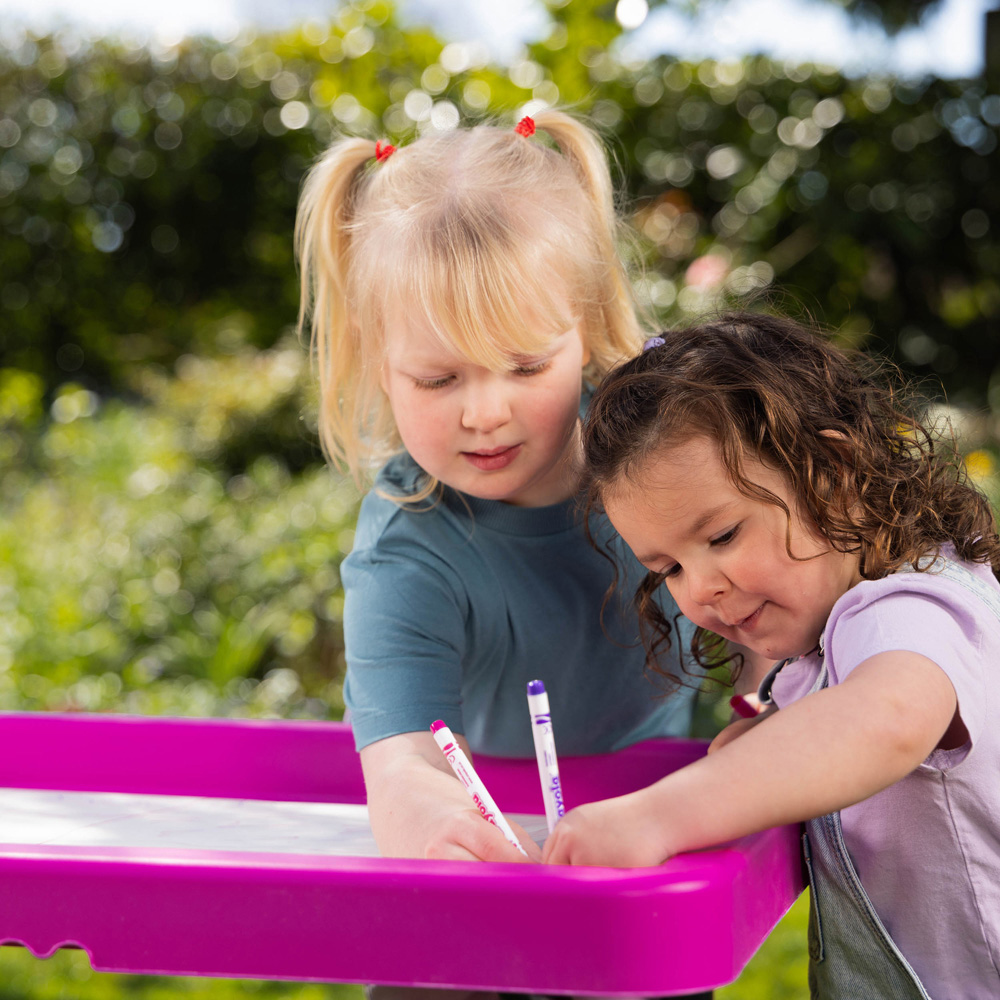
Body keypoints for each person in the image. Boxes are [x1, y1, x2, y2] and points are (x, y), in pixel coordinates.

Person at [543, 312, 1000, 999]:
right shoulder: (849, 623)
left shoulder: (909, 607)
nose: (701, 589)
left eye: (722, 534)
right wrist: (770, 735)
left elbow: (892, 716)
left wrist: (659, 815)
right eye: (667, 567)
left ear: (832, 469)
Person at [294, 110, 699, 868]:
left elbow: (769, 584)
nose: (484, 414)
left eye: (525, 367)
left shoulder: (665, 452)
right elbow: (403, 761)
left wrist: (763, 704)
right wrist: (435, 829)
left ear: (585, 332)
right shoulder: (407, 553)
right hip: (493, 818)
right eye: (438, 378)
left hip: (657, 811)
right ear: (376, 362)